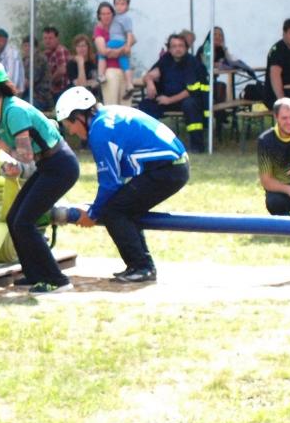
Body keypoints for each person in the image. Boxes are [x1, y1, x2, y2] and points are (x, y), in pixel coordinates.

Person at [0, 56, 80, 293]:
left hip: (61, 166)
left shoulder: (14, 111)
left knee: (24, 222)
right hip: (46, 165)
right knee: (14, 218)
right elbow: (8, 149)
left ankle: (57, 280)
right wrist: (14, 162)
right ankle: (34, 274)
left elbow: (24, 155)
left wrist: (16, 162)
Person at [55, 86, 189, 283]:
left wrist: (92, 214)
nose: (72, 131)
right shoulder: (107, 116)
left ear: (79, 116)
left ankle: (142, 267)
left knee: (113, 211)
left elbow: (110, 183)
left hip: (167, 170)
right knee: (123, 206)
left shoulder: (100, 131)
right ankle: (141, 265)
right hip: (172, 166)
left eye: (70, 125)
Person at [139, 33, 210, 152]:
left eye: (181, 46)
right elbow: (151, 74)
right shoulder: (166, 59)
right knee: (145, 105)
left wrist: (169, 100)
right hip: (166, 99)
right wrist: (149, 82)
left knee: (190, 105)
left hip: (187, 99)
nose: (177, 49)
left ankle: (197, 146)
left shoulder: (192, 62)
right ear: (169, 49)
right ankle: (148, 144)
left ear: (186, 48)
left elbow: (191, 91)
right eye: (174, 46)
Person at [264, 19, 290, 107]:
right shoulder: (278, 50)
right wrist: (282, 102)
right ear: (284, 33)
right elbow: (275, 76)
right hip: (277, 98)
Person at [108, 0, 138, 95]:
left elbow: (129, 34)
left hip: (117, 42)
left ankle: (101, 74)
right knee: (125, 64)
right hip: (118, 43)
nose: (119, 7)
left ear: (127, 6)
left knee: (101, 54)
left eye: (122, 4)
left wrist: (128, 46)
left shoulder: (126, 18)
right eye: (117, 4)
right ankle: (129, 84)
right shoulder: (113, 17)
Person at [0, 27, 24, 95]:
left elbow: (12, 80)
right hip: (3, 92)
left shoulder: (12, 53)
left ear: (5, 40)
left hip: (14, 94)